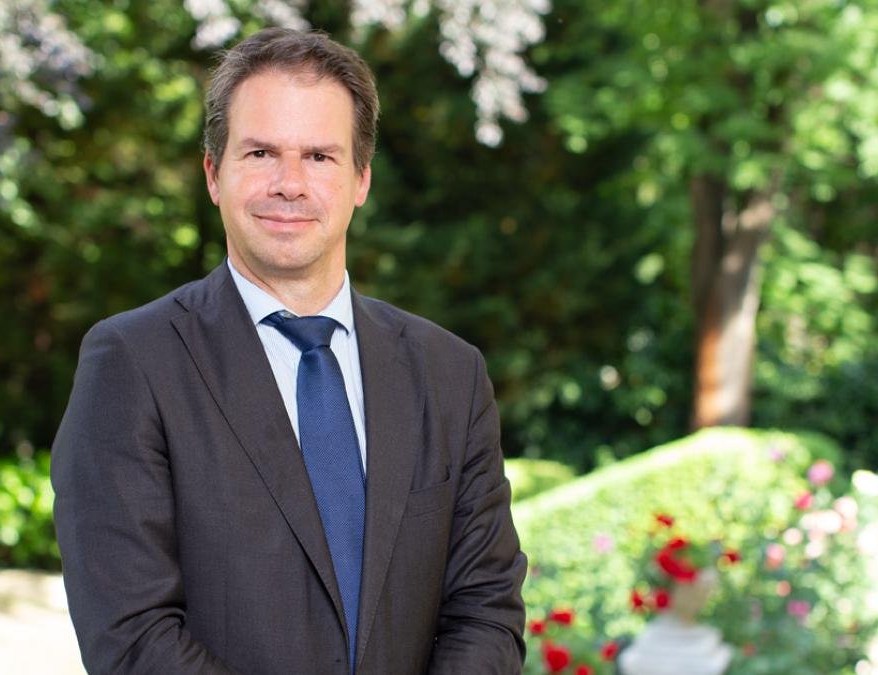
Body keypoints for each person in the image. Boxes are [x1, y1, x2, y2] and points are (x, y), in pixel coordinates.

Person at [50, 27, 527, 674]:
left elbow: (486, 609)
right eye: (261, 153)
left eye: (320, 157)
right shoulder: (133, 364)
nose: (290, 183)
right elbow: (132, 635)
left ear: (361, 178)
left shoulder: (450, 375)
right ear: (214, 174)